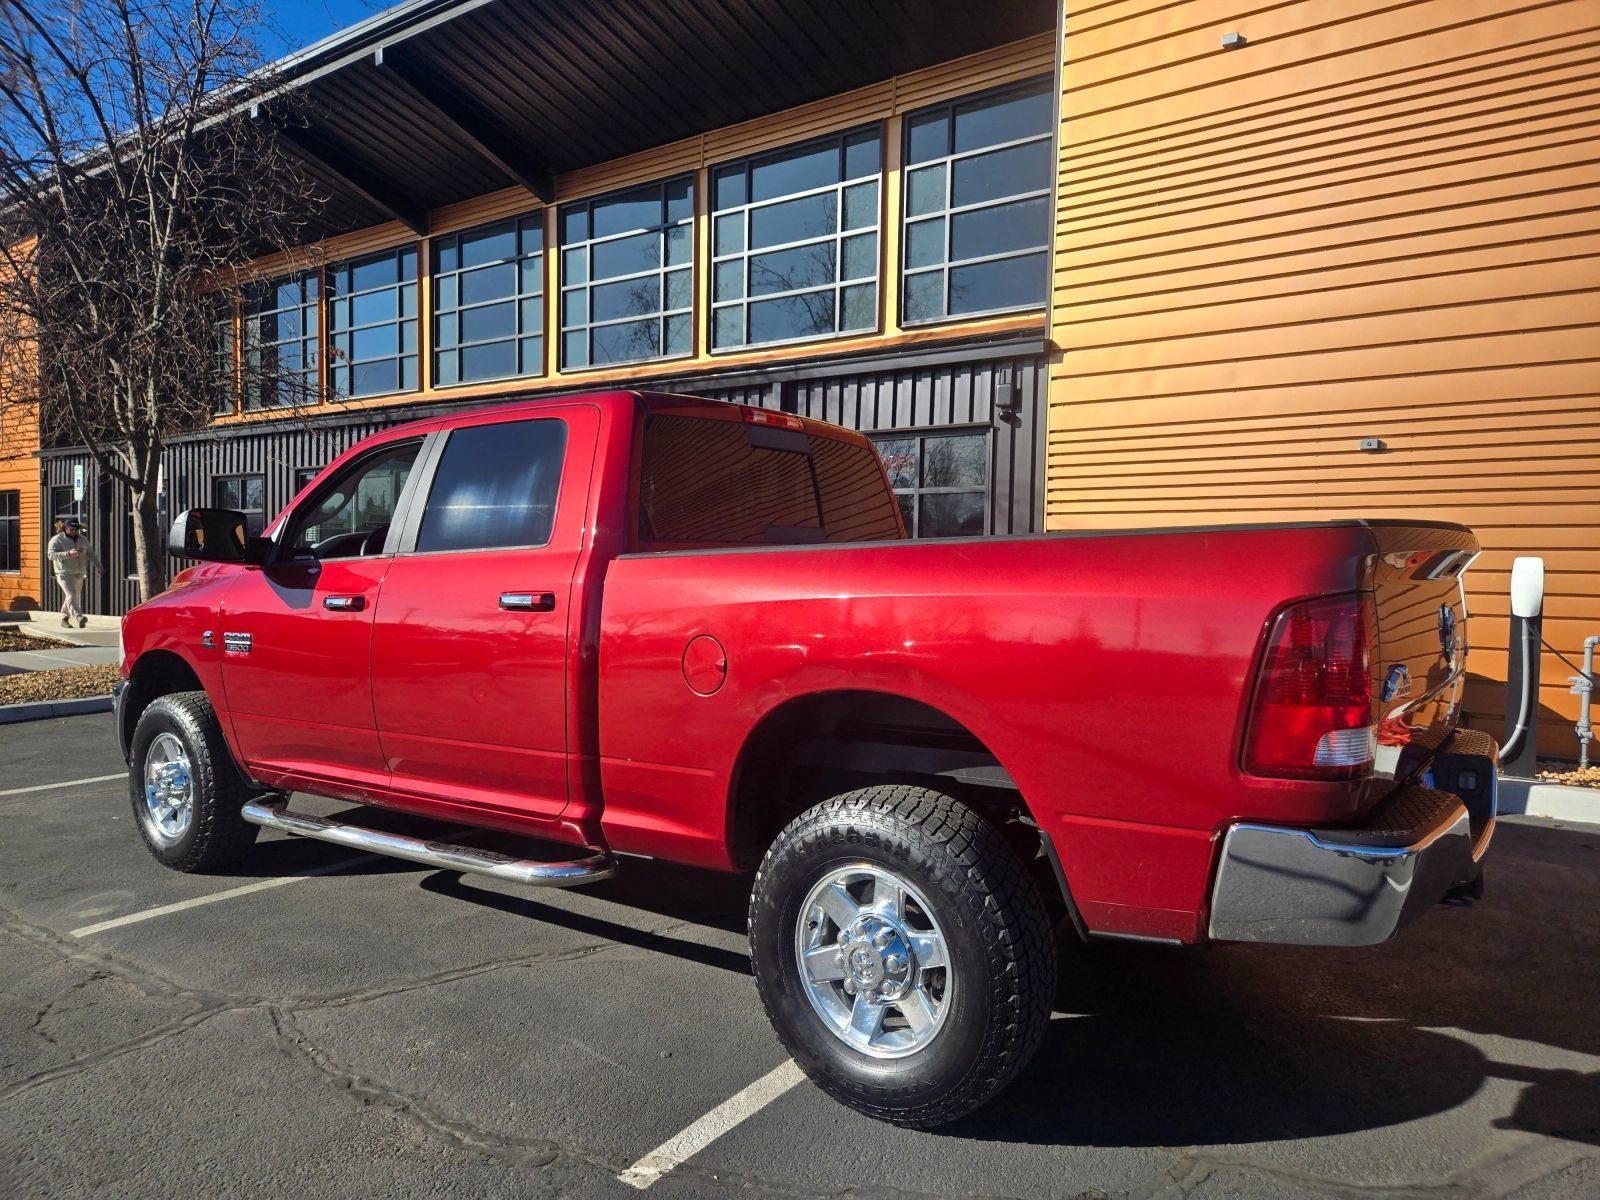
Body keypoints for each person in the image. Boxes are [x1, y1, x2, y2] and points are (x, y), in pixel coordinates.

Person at [47, 516, 100, 629]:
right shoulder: (57, 540)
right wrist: (68, 554)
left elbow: (90, 553)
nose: (74, 531)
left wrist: (99, 566)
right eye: (71, 529)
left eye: (76, 529)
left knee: (72, 597)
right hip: (64, 573)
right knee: (71, 595)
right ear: (65, 528)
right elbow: (51, 555)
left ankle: (64, 618)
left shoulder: (83, 539)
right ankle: (79, 617)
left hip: (79, 572)